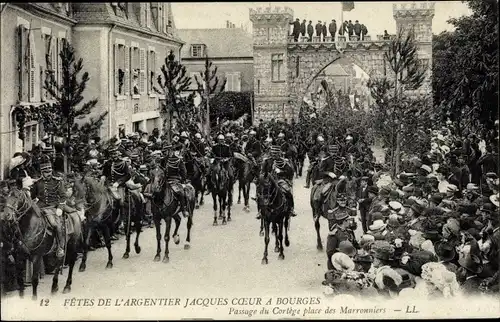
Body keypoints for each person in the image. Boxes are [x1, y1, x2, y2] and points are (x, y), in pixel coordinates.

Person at [31, 158, 67, 258]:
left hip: (52, 207)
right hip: (40, 207)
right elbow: (32, 197)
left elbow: (63, 196)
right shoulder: (37, 183)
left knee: (55, 225)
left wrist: (60, 207)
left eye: (50, 171)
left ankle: (60, 247)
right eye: (46, 172)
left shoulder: (57, 182)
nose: (49, 174)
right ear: (42, 172)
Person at [162, 144, 190, 218]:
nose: (166, 153)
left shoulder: (177, 159)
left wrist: (183, 180)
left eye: (168, 151)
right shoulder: (164, 160)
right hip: (165, 180)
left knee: (181, 192)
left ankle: (184, 209)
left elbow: (184, 171)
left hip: (175, 180)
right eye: (165, 151)